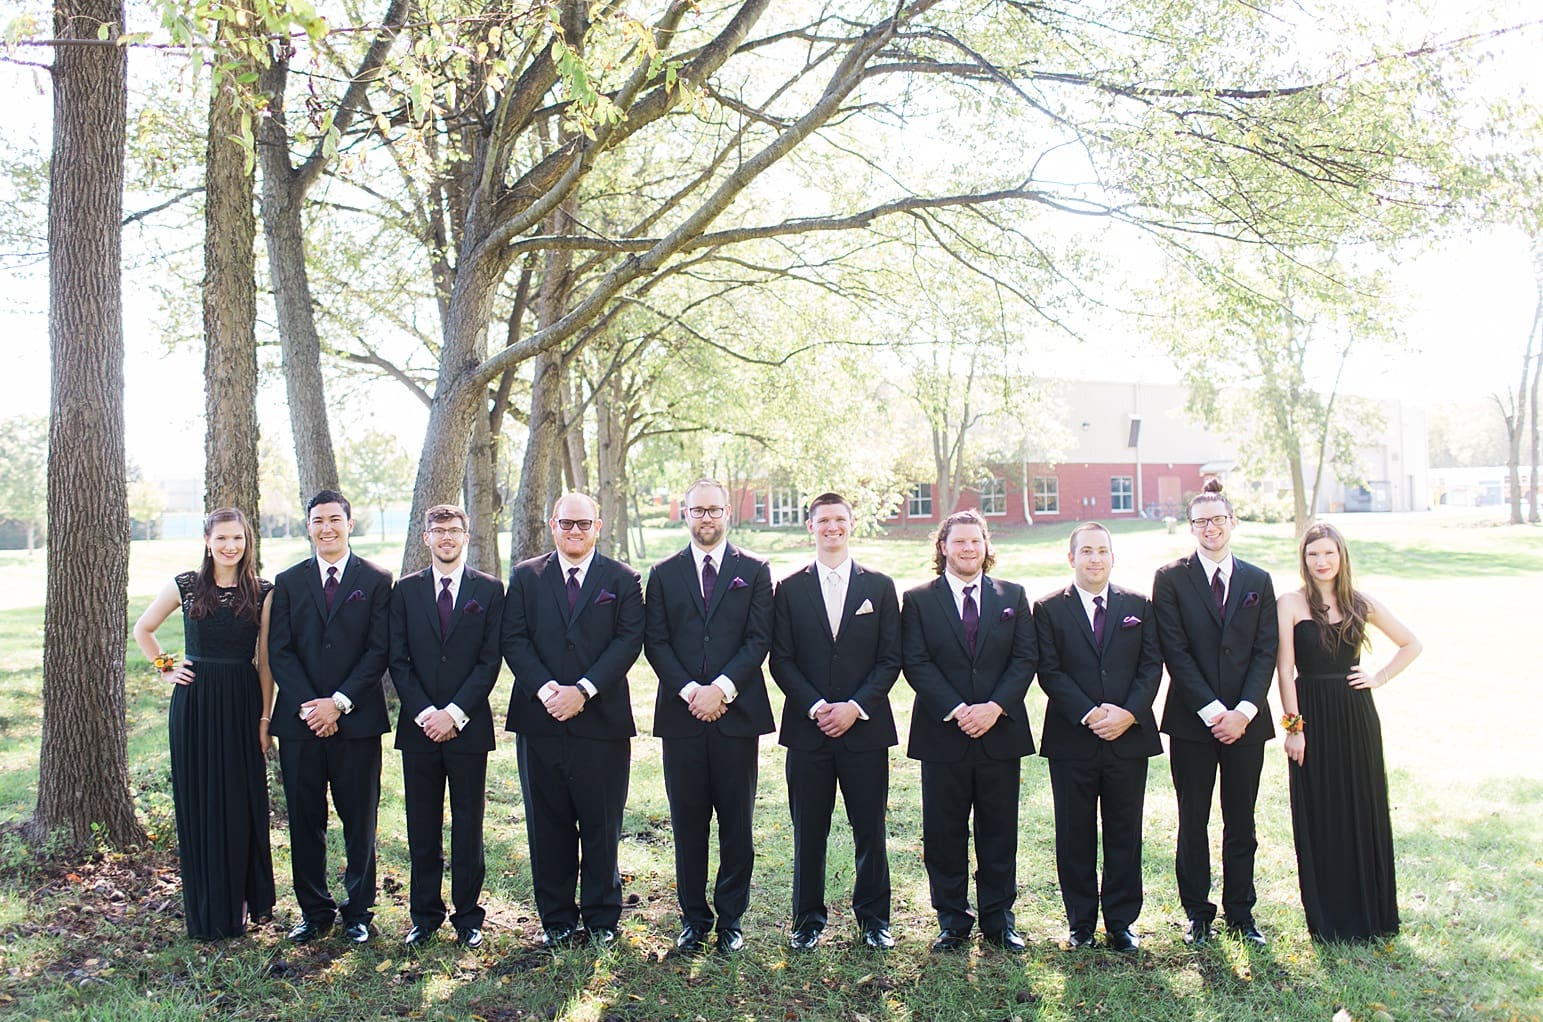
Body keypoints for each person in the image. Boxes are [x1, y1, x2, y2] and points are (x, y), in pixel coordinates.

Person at [503, 493, 644, 949]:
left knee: (602, 822)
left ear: (598, 526)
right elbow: (515, 638)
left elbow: (627, 642)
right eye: (567, 523)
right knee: (547, 823)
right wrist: (548, 691)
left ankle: (602, 916)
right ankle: (557, 917)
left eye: (584, 523)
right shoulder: (526, 576)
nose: (575, 531)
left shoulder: (622, 579)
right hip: (539, 719)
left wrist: (582, 690)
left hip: (600, 722)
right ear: (552, 525)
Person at [132, 507, 276, 940]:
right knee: (199, 801)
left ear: (247, 541)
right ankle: (205, 910)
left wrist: (265, 717)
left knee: (239, 802)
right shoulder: (187, 586)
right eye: (222, 539)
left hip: (242, 702)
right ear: (207, 541)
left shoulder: (262, 591)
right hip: (194, 703)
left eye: (238, 539)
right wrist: (166, 668)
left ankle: (240, 906)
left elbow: (265, 661)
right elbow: (144, 629)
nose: (230, 546)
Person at [644, 478, 774, 954]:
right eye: (697, 510)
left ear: (726, 514)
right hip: (681, 718)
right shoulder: (662, 573)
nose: (706, 518)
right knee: (688, 821)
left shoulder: (755, 570)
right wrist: (689, 691)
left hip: (736, 716)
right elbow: (655, 641)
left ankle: (731, 918)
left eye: (714, 510)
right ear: (685, 514)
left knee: (736, 822)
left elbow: (759, 639)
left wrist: (720, 689)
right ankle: (694, 919)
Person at [1275, 522, 1420, 942]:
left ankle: (1371, 914)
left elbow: (1411, 644)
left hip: (1356, 717)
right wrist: (1293, 727)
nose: (1321, 562)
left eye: (1328, 554)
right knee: (1320, 810)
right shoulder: (1290, 603)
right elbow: (1284, 670)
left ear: (1341, 557)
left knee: (1362, 807)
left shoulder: (1360, 603)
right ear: (1303, 559)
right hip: (1312, 717)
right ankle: (1330, 917)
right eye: (1313, 555)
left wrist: (1379, 677)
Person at [900, 508, 1037, 953]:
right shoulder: (919, 600)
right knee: (944, 833)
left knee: (1000, 831)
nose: (968, 549)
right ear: (943, 548)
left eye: (975, 541)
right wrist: (960, 709)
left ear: (986, 546)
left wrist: (994, 707)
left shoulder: (1012, 595)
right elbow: (915, 662)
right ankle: (952, 921)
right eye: (958, 542)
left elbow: (1024, 660)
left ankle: (999, 921)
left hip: (1000, 732)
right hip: (944, 734)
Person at [769, 492, 902, 952]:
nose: (832, 527)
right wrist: (817, 706)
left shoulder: (880, 587)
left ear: (851, 524)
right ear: (811, 527)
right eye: (823, 520)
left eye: (839, 519)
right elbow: (781, 660)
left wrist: (854, 707)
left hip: (865, 729)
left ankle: (873, 919)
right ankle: (807, 919)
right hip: (809, 731)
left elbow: (890, 660)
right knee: (809, 829)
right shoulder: (787, 588)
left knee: (870, 828)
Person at [1153, 479, 1277, 946]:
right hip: (1191, 722)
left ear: (1232, 523)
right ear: (1191, 528)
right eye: (1200, 521)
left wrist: (1244, 711)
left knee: (1241, 820)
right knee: (1194, 819)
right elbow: (1174, 650)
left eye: (1217, 519)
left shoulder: (1258, 580)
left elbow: (1265, 651)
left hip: (1248, 722)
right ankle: (1198, 913)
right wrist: (1211, 710)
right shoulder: (1170, 579)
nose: (1210, 528)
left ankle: (1241, 913)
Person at [267, 489, 392, 945]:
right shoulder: (288, 581)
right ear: (308, 526)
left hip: (356, 721)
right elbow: (279, 650)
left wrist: (337, 703)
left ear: (349, 523)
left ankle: (358, 912)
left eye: (335, 519)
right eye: (318, 520)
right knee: (305, 819)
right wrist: (310, 705)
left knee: (359, 820)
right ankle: (314, 910)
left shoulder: (377, 580)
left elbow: (379, 650)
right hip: (300, 723)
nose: (327, 528)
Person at [1033, 523, 1162, 953]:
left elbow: (1150, 668)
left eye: (1102, 551)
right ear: (1071, 558)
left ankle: (1122, 922)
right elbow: (1049, 671)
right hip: (1073, 738)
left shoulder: (1139, 605)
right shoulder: (1048, 608)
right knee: (1075, 832)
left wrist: (1127, 714)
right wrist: (1090, 714)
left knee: (1125, 831)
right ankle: (1081, 922)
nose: (1094, 559)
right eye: (1086, 551)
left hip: (1128, 737)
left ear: (1112, 556)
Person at [389, 504, 505, 950]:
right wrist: (425, 714)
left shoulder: (490, 591)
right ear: (425, 538)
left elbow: (489, 661)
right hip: (418, 729)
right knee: (421, 824)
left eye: (454, 530)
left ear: (466, 535)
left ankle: (469, 916)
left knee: (468, 823)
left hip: (468, 727)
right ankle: (424, 914)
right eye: (437, 531)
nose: (446, 538)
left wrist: (454, 713)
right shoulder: (404, 591)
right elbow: (397, 659)